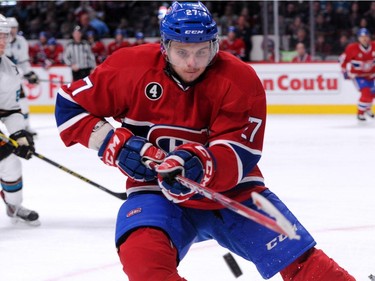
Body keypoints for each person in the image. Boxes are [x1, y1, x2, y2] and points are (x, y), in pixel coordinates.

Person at [55, 2, 355, 280]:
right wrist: (113, 143)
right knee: (143, 261)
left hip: (233, 193)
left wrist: (200, 163)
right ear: (164, 46)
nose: (192, 63)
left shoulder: (239, 79)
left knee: (300, 260)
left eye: (202, 51)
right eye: (181, 51)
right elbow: (69, 104)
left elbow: (242, 151)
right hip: (156, 192)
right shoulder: (129, 68)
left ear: (215, 45)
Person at [0, 14, 39, 226]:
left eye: (5, 36)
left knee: (10, 162)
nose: (3, 42)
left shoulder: (9, 70)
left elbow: (9, 110)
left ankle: (13, 206)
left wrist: (19, 135)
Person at [5, 17, 39, 136]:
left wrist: (29, 73)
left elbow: (24, 61)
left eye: (14, 27)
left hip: (14, 79)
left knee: (23, 102)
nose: (13, 30)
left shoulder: (21, 41)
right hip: (2, 79)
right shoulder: (2, 40)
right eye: (10, 27)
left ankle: (26, 126)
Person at [340, 27, 375, 121]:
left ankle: (367, 108)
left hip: (371, 75)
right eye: (362, 37)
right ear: (358, 38)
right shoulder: (352, 48)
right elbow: (343, 60)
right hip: (358, 76)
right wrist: (344, 72)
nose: (364, 39)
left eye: (366, 36)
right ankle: (360, 113)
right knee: (366, 92)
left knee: (373, 93)